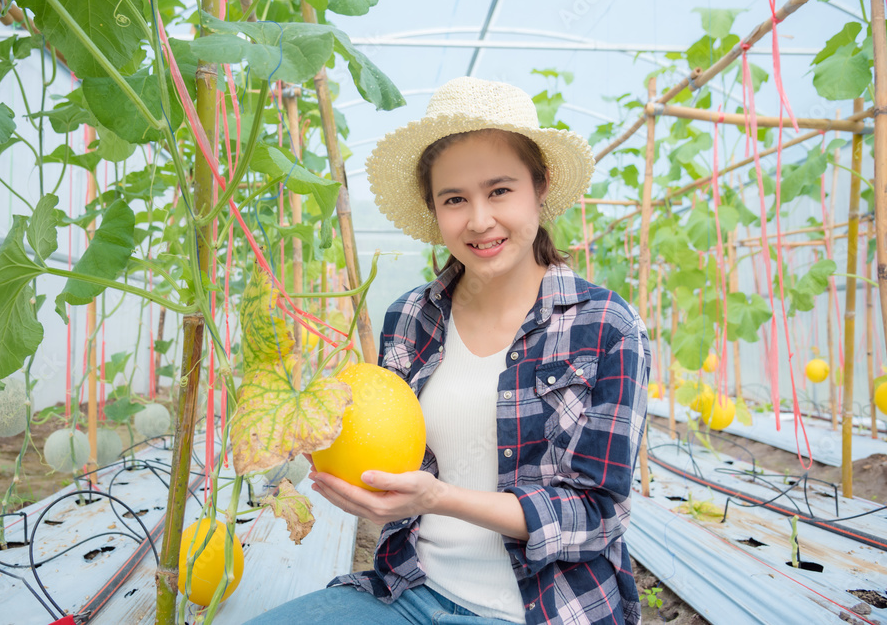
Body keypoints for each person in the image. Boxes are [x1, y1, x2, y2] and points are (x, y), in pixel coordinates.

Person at [246, 77, 650, 625]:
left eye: (500, 190)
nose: (479, 220)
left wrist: (437, 499)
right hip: (410, 591)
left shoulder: (605, 325)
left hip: (545, 610)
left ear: (540, 186)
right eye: (455, 199)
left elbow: (597, 515)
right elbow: (383, 446)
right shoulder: (412, 318)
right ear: (434, 210)